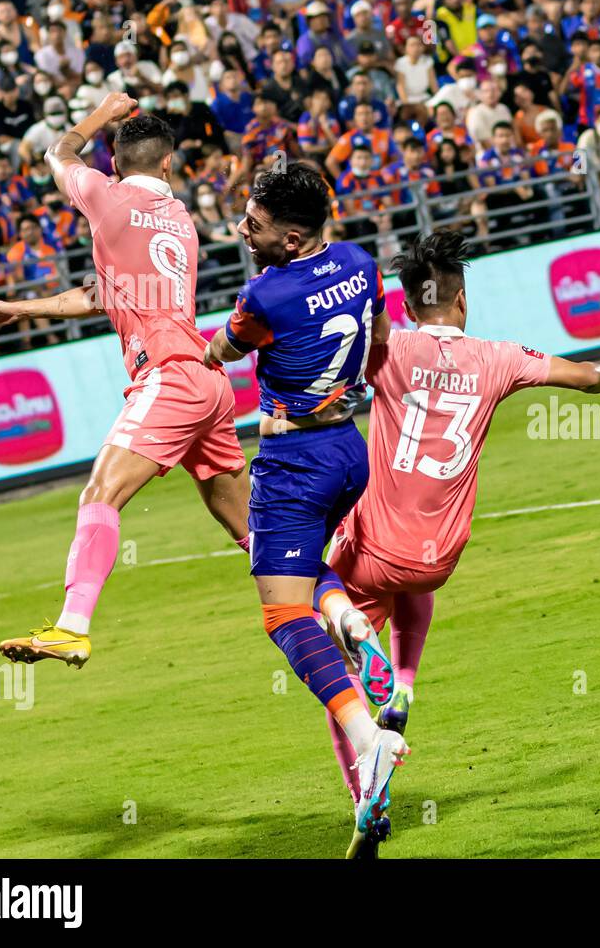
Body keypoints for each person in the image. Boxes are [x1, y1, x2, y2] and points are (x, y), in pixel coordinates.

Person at [312, 230, 600, 858]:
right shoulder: (499, 356)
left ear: (409, 306)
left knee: (323, 630)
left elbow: (331, 354)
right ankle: (404, 679)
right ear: (461, 302)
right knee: (412, 576)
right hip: (442, 555)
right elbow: (578, 374)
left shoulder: (389, 349)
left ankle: (365, 782)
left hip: (376, 550)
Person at [0, 93, 250, 668]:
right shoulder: (181, 219)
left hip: (167, 376)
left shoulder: (104, 195)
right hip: (209, 378)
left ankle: (72, 626)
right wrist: (18, 308)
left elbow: (57, 149)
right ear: (169, 165)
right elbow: (102, 295)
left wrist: (102, 111)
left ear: (116, 165)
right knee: (250, 529)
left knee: (100, 494)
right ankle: (335, 599)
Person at [200, 162, 406, 846]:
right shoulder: (358, 259)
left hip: (294, 464)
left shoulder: (266, 294)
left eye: (253, 223)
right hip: (351, 450)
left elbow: (217, 355)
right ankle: (350, 623)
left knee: (281, 609)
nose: (241, 228)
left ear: (290, 238)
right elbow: (377, 340)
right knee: (289, 565)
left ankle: (364, 734)